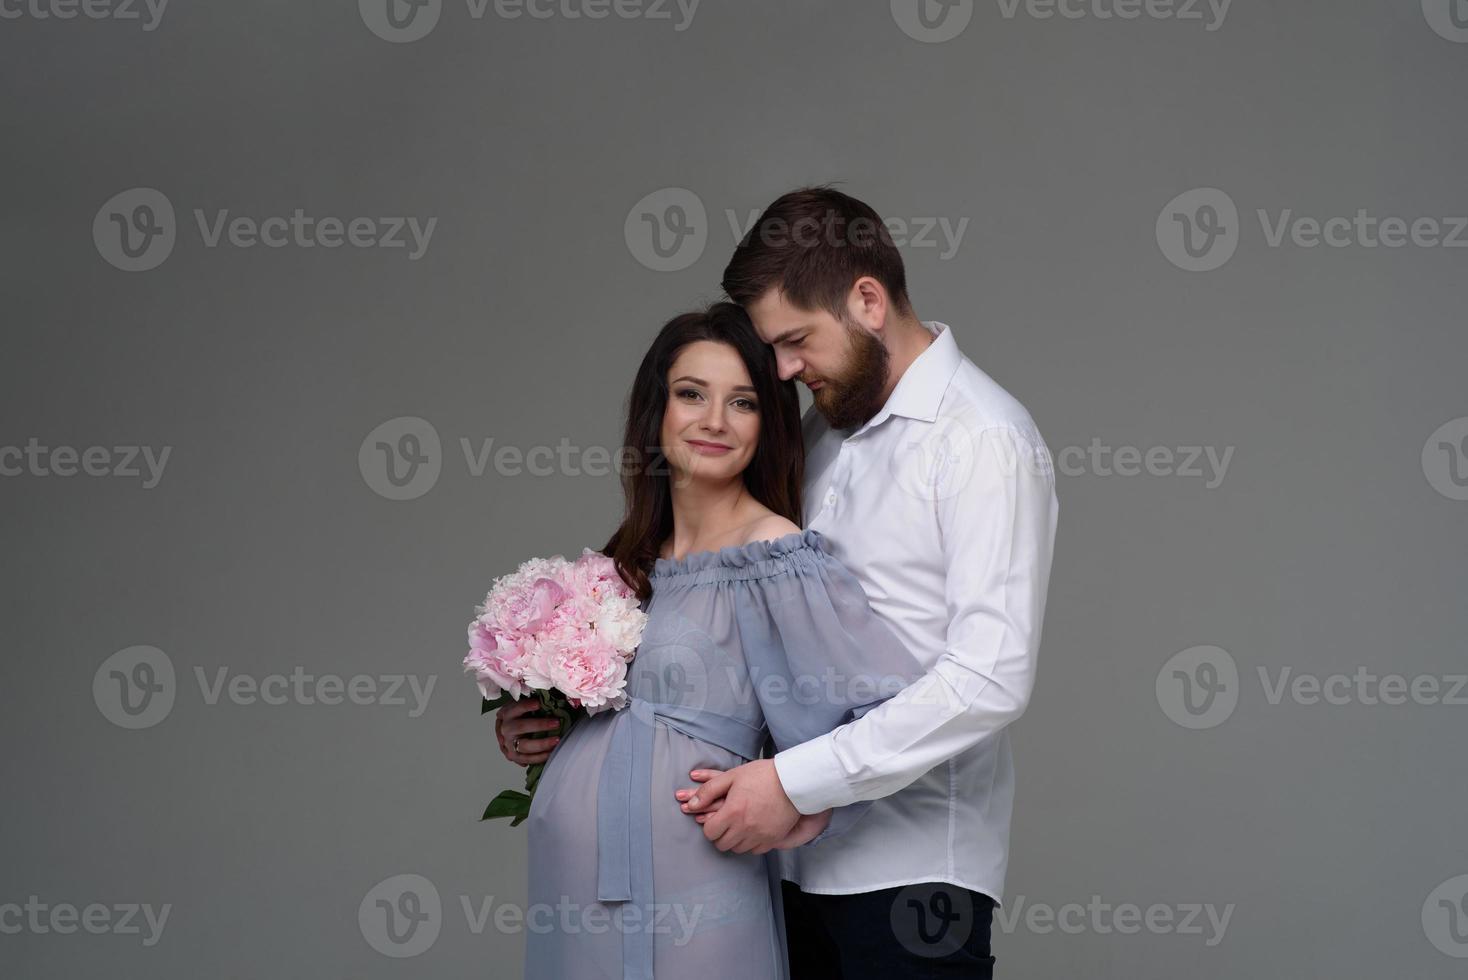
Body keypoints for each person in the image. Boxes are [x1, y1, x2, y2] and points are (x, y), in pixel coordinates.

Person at [671, 187, 1061, 978]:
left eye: (795, 341)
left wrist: (796, 782)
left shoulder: (984, 439)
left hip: (912, 881)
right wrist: (576, 713)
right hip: (779, 873)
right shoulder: (821, 431)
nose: (781, 370)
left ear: (869, 301)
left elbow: (990, 676)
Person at [494, 301, 925, 979]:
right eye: (691, 394)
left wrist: (794, 803)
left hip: (695, 886)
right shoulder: (627, 562)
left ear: (767, 424)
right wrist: (541, 725)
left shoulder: (772, 554)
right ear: (655, 411)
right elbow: (615, 715)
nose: (715, 420)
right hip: (572, 892)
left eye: (743, 402)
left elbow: (882, 714)